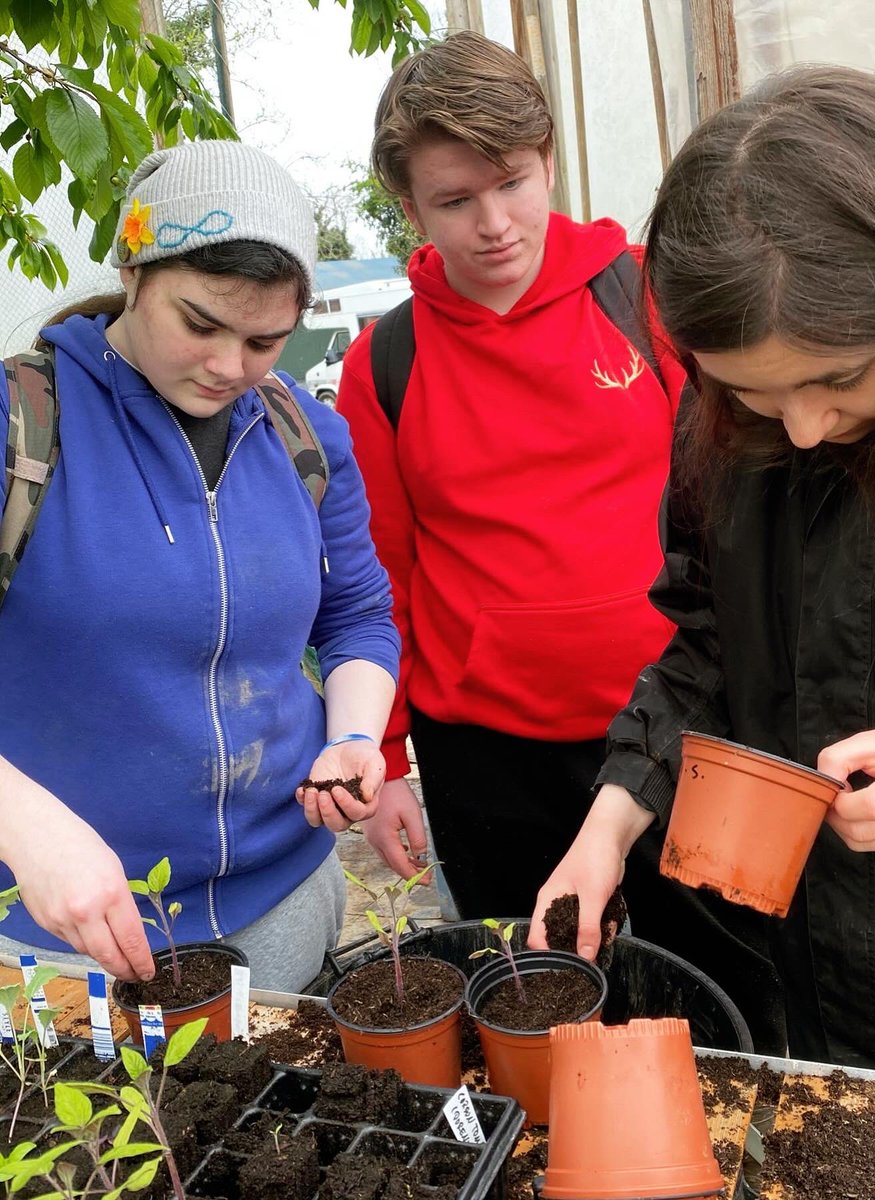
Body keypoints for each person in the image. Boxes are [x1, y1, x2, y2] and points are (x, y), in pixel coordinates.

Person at [530, 63, 875, 1183]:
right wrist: (608, 827)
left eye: (841, 378)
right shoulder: (722, 428)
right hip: (818, 981)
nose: (806, 429)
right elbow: (704, 649)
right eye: (757, 395)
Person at [336, 31, 784, 1048]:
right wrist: (390, 756)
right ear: (410, 207)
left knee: (714, 1001)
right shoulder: (387, 361)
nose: (494, 224)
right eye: (455, 201)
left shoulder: (646, 299)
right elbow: (383, 576)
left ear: (550, 162)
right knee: (536, 1004)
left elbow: (739, 518)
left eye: (514, 183)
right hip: (490, 761)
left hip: (679, 736)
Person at [0, 139, 400, 993]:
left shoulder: (305, 437)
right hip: (64, 938)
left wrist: (355, 736)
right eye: (200, 324)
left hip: (285, 906)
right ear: (136, 270)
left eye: (266, 340)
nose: (229, 368)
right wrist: (25, 828)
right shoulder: (19, 429)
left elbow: (357, 613)